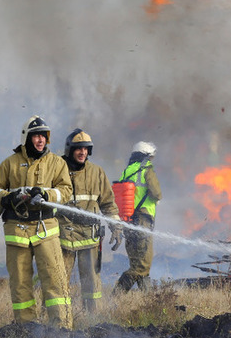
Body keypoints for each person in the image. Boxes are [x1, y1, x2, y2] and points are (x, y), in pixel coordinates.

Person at [0, 115, 74, 329]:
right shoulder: (11, 163)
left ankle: (61, 329)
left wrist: (46, 194)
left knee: (55, 280)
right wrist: (7, 198)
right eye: (36, 136)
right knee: (20, 283)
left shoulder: (56, 163)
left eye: (43, 136)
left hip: (46, 228)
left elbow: (67, 190)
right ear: (27, 138)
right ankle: (27, 329)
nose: (40, 140)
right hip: (17, 228)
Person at [57, 129, 123, 314]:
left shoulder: (96, 172)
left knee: (92, 284)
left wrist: (116, 227)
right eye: (79, 149)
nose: (83, 152)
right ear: (70, 149)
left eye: (86, 149)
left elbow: (109, 204)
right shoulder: (57, 168)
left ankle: (91, 320)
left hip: (89, 237)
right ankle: (60, 319)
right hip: (63, 237)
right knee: (59, 280)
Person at [114, 141, 161, 293]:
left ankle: (149, 300)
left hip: (129, 221)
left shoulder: (127, 171)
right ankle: (116, 294)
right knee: (142, 265)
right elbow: (156, 193)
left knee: (137, 262)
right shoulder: (147, 169)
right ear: (145, 156)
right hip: (143, 220)